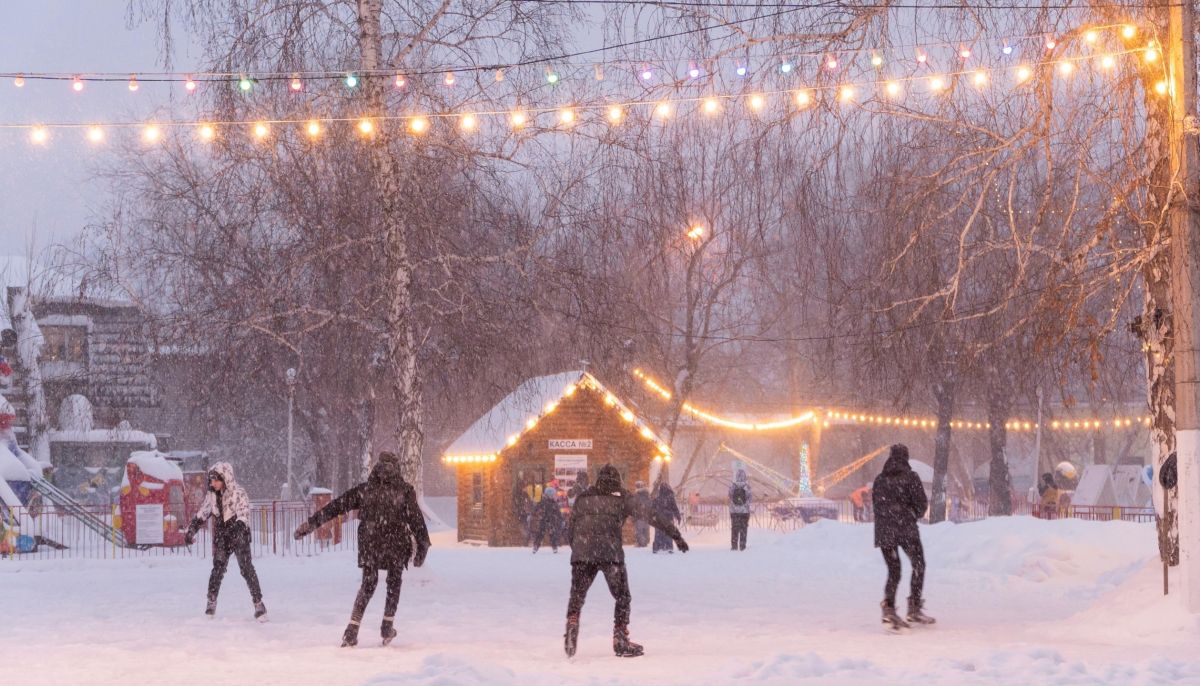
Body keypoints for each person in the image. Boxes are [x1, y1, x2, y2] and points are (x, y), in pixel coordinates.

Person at [294, 452, 430, 647]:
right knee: (394, 582)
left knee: (368, 584)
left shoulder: (365, 490)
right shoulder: (405, 491)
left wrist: (311, 524)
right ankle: (387, 625)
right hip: (396, 544)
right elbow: (418, 523)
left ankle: (352, 629)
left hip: (370, 543)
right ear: (396, 468)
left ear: (376, 469)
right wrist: (422, 549)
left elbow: (335, 506)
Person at [564, 464, 689, 657]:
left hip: (582, 553)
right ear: (617, 481)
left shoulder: (583, 498)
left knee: (577, 596)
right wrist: (676, 535)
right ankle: (620, 638)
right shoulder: (622, 498)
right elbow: (651, 515)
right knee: (622, 596)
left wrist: (579, 550)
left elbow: (570, 529)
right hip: (610, 554)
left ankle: (572, 621)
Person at [184, 462, 266, 621]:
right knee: (218, 568)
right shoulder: (212, 495)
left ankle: (259, 603)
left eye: (215, 479)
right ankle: (211, 601)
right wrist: (191, 530)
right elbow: (203, 513)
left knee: (246, 569)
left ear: (225, 478)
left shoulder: (239, 493)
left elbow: (243, 516)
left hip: (239, 535)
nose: (212, 483)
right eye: (211, 480)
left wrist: (234, 531)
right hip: (222, 536)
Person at [871, 444, 934, 631]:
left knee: (894, 571)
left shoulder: (880, 480)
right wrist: (910, 515)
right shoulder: (911, 477)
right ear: (906, 457)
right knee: (918, 565)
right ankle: (914, 606)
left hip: (885, 532)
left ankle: (889, 608)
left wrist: (888, 519)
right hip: (906, 530)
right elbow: (922, 504)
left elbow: (876, 506)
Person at [651, 483, 682, 553]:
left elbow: (652, 509)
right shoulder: (670, 498)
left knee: (658, 533)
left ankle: (657, 547)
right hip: (668, 518)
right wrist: (678, 516)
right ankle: (668, 547)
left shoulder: (657, 499)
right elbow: (675, 508)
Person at [532, 485, 563, 553]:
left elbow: (558, 513)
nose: (555, 496)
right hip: (546, 520)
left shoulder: (551, 503)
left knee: (549, 533)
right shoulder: (547, 503)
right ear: (549, 495)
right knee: (543, 533)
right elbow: (536, 509)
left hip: (549, 520)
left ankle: (553, 546)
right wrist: (538, 513)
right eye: (553, 495)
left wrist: (560, 518)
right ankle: (536, 546)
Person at [728, 470, 752, 551]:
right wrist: (745, 507)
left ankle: (734, 546)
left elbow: (730, 497)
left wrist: (733, 508)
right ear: (745, 476)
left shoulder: (732, 486)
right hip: (744, 512)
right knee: (743, 529)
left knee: (734, 529)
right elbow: (749, 499)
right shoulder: (747, 487)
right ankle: (742, 546)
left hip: (734, 512)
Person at [633, 481, 652, 547]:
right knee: (646, 529)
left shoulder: (636, 496)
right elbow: (650, 505)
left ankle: (641, 544)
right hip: (646, 516)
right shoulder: (647, 495)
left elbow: (634, 506)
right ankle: (646, 542)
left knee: (639, 531)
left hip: (639, 516)